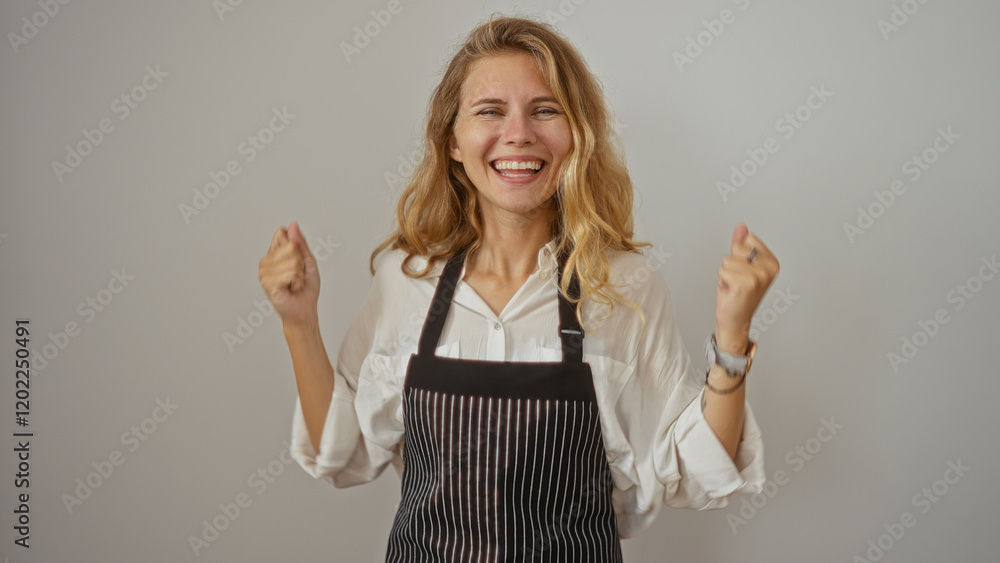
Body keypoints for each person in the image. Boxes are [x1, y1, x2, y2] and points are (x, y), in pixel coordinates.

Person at [258, 14, 778, 562]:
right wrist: (299, 323)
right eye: (490, 111)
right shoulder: (405, 279)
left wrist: (733, 334)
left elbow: (697, 472)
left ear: (576, 135)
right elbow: (345, 452)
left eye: (545, 110)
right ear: (453, 142)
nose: (519, 133)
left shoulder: (622, 286)